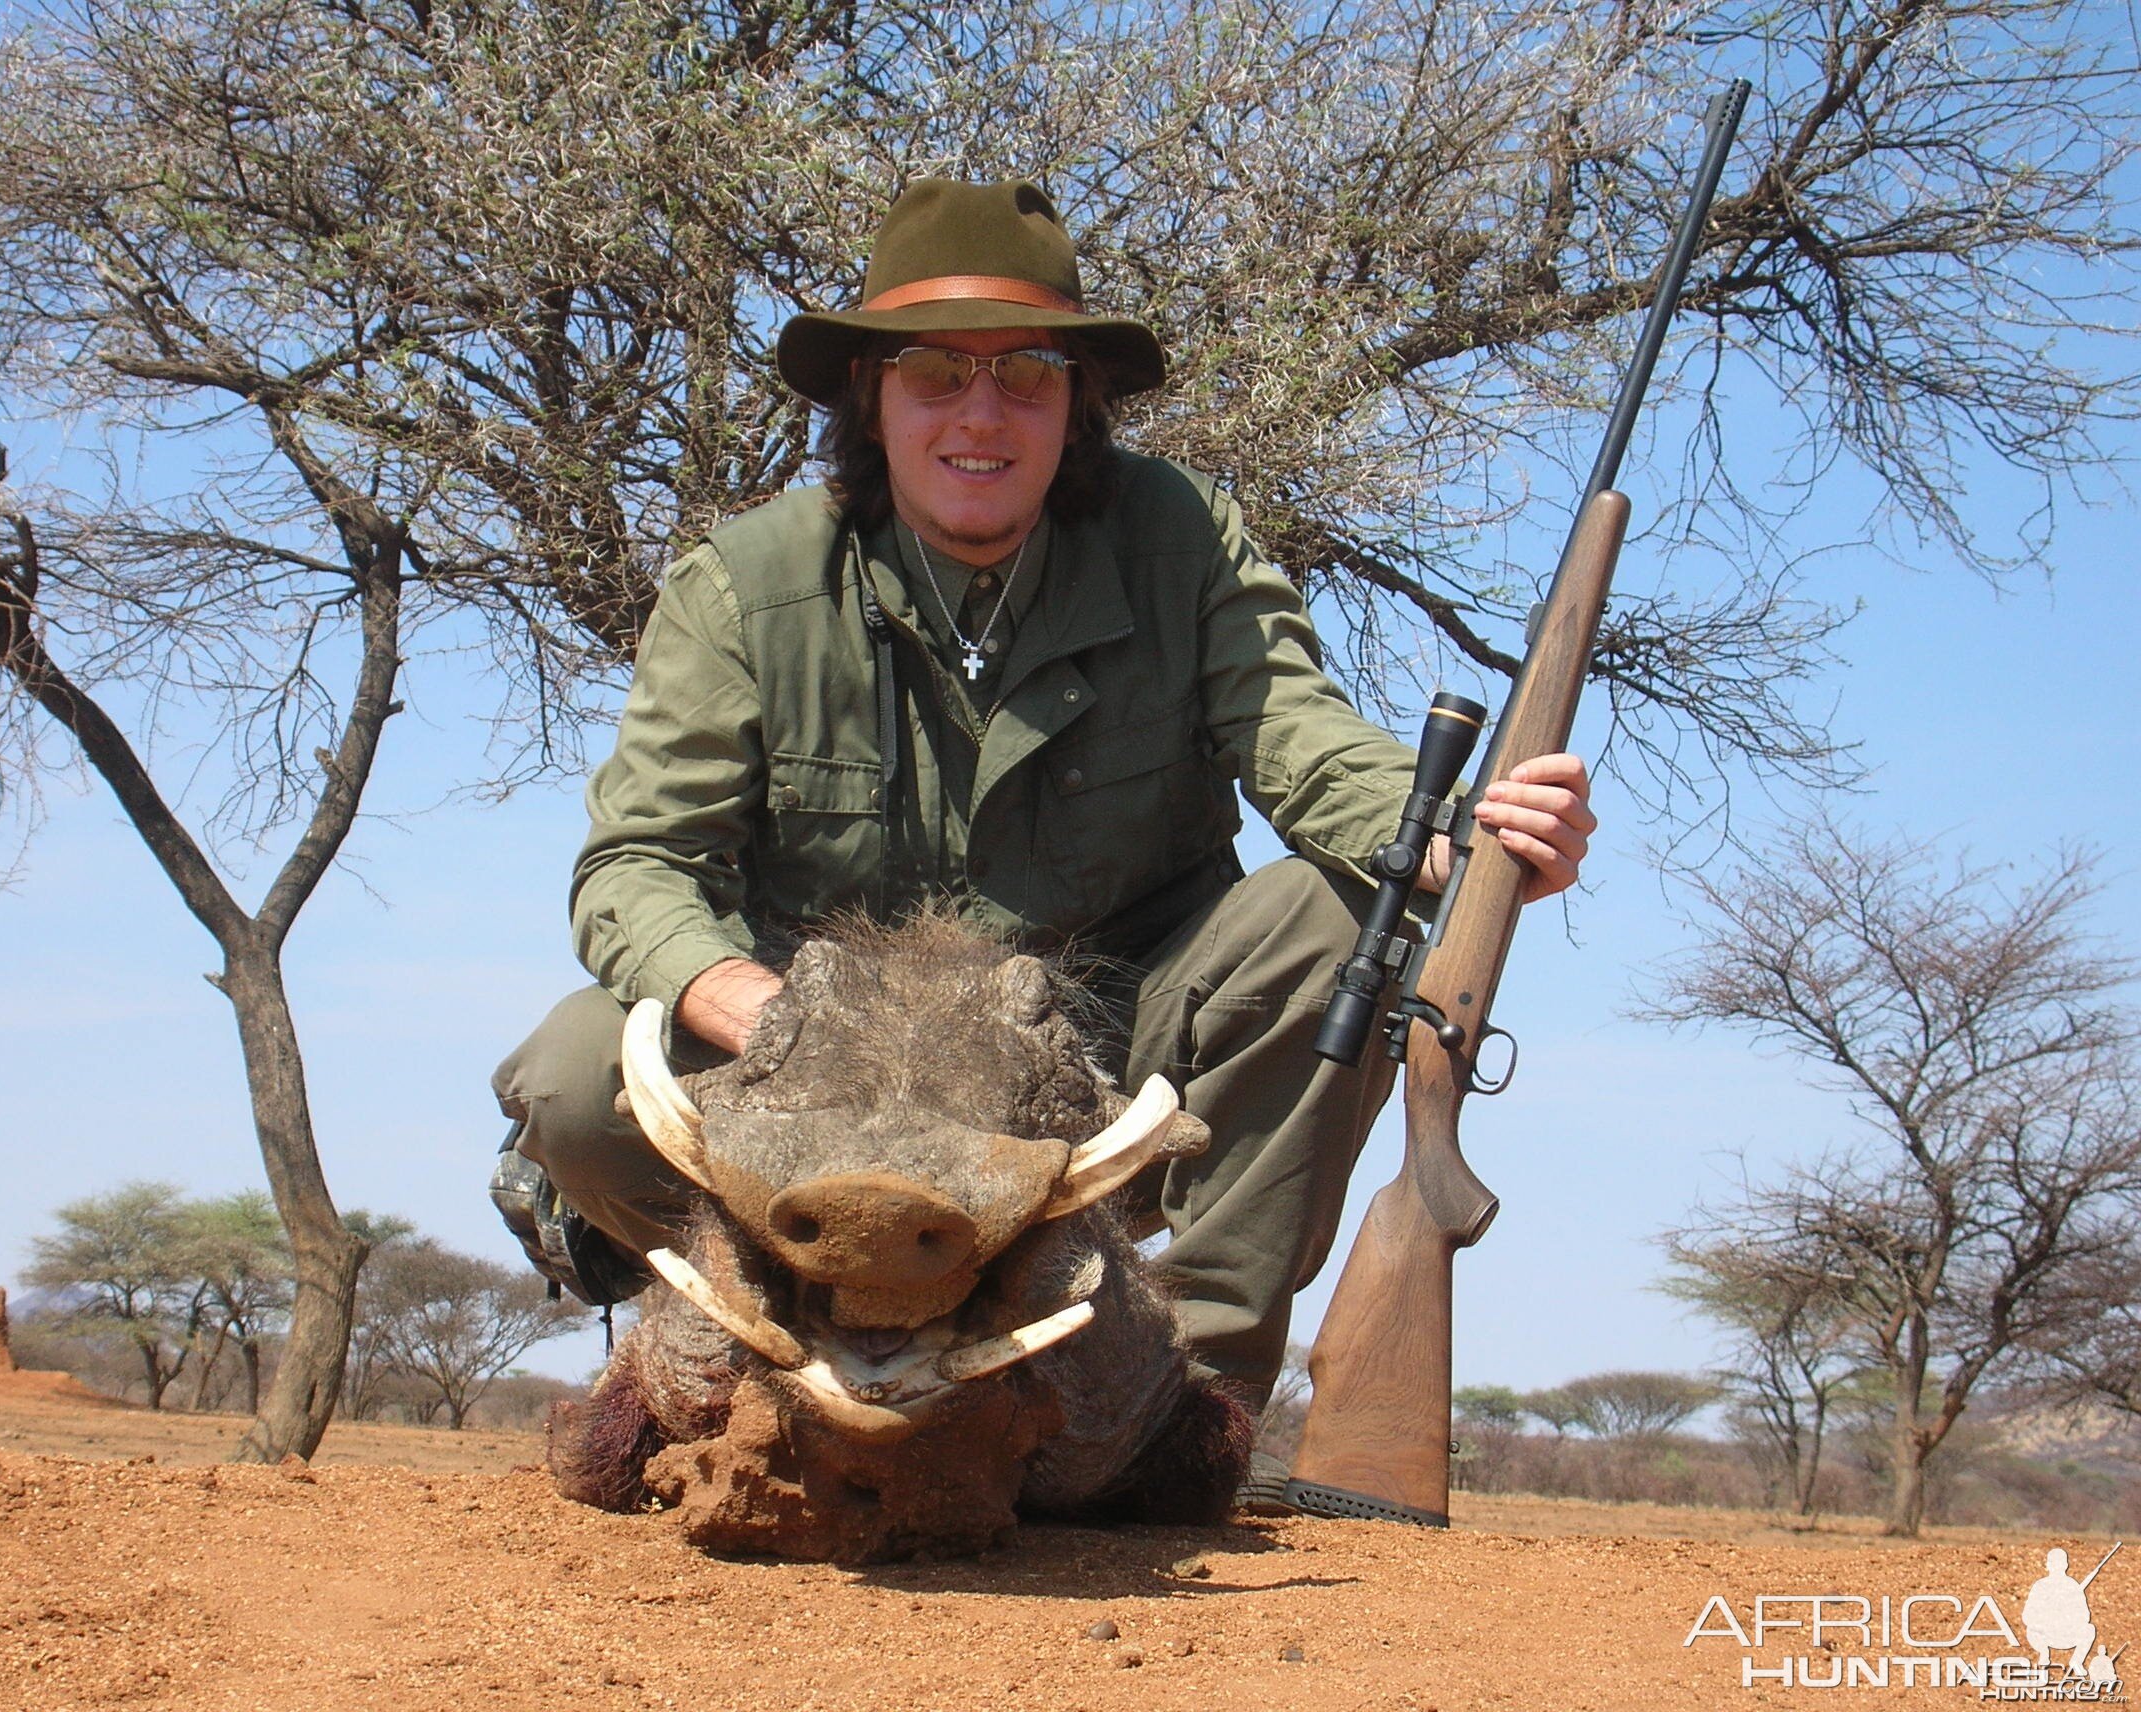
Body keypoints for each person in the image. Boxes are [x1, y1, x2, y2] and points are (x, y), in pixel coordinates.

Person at [490, 178, 1595, 1419]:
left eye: (1026, 372)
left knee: (1339, 919)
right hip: (818, 1075)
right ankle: (757, 1335)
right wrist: (761, 1010)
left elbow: (1304, 739)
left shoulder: (1185, 536)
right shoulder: (740, 583)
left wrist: (1457, 830)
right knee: (577, 1078)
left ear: (1078, 405)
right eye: (932, 373)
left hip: (1094, 1066)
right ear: (869, 396)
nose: (981, 413)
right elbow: (636, 865)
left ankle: (1185, 1397)